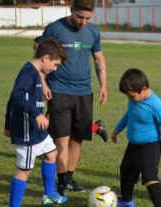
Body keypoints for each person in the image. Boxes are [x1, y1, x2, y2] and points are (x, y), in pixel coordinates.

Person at [37, 0, 108, 195]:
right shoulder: (55, 29)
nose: (83, 22)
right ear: (71, 10)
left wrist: (103, 85)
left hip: (84, 92)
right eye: (79, 17)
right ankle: (60, 184)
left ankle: (69, 178)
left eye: (87, 18)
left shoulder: (93, 31)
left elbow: (98, 58)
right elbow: (40, 57)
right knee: (61, 139)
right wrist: (42, 83)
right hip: (59, 91)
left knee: (78, 138)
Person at [4, 38, 68, 207]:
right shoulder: (29, 72)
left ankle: (48, 195)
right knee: (24, 170)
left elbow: (14, 97)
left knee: (51, 153)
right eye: (55, 65)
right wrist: (35, 114)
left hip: (37, 129)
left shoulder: (36, 72)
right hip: (28, 130)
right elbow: (16, 95)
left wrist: (7, 123)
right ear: (46, 58)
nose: (54, 69)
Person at [111, 68, 161, 207]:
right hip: (133, 145)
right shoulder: (134, 100)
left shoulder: (157, 105)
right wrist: (117, 129)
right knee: (126, 171)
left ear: (143, 89)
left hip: (151, 146)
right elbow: (129, 115)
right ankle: (127, 200)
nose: (129, 99)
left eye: (132, 96)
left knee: (149, 177)